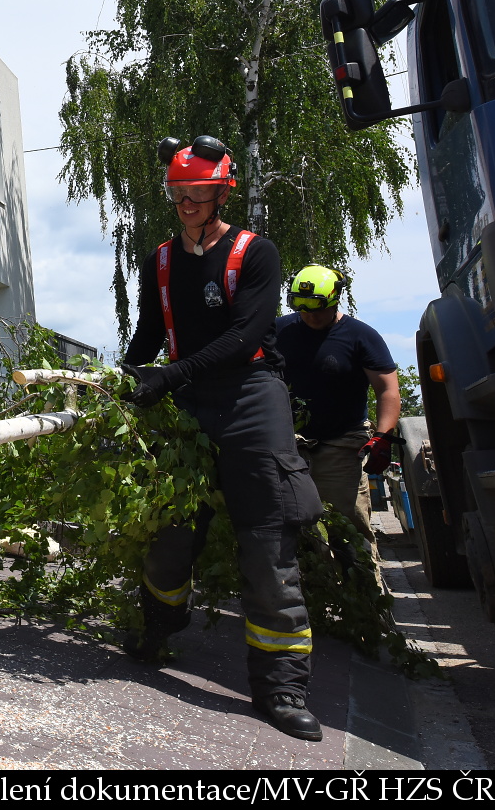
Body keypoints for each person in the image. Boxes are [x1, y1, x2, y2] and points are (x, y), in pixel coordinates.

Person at [119, 135, 325, 742]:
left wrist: (172, 375)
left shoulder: (254, 252)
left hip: (251, 397)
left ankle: (281, 686)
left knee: (267, 543)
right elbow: (149, 334)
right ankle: (157, 631)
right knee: (170, 531)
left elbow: (245, 334)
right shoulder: (159, 260)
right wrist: (124, 382)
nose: (185, 203)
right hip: (187, 405)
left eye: (197, 193)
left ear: (220, 192)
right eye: (177, 193)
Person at [275, 265, 400, 571]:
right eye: (301, 309)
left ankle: (367, 609)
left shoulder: (360, 336)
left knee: (348, 530)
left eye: (317, 309)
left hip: (342, 446)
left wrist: (382, 437)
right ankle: (312, 604)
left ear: (335, 300)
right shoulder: (279, 332)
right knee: (295, 532)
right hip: (290, 448)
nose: (309, 316)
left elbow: (387, 389)